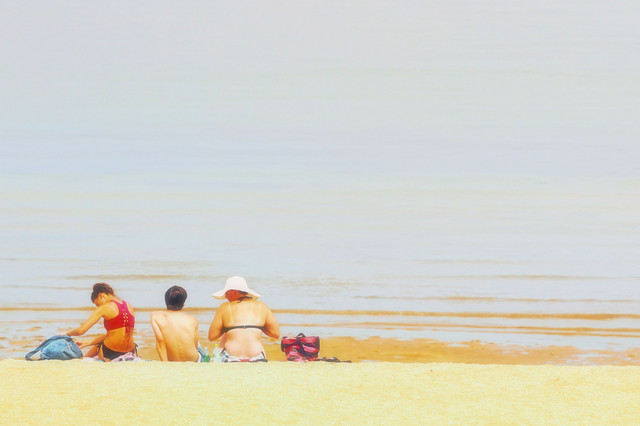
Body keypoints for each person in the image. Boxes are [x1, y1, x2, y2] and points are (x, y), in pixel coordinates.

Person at [208, 276, 279, 362]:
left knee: (227, 333)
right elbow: (276, 334)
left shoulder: (224, 307)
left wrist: (228, 328)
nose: (226, 297)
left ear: (234, 291)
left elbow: (212, 336)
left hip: (231, 357)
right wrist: (258, 326)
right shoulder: (262, 306)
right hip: (257, 357)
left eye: (226, 293)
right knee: (252, 332)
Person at [65, 283, 136, 361]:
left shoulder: (104, 307)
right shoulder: (128, 306)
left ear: (101, 295)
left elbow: (81, 330)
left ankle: (84, 357)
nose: (99, 307)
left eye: (98, 304)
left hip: (111, 352)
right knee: (104, 340)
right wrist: (87, 342)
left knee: (100, 344)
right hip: (130, 351)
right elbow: (115, 334)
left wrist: (67, 333)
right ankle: (85, 357)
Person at [150, 286, 203, 362]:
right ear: (183, 303)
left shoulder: (156, 316)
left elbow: (160, 342)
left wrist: (165, 364)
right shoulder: (193, 319)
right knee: (197, 344)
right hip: (194, 360)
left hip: (172, 361)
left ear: (166, 301)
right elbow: (195, 345)